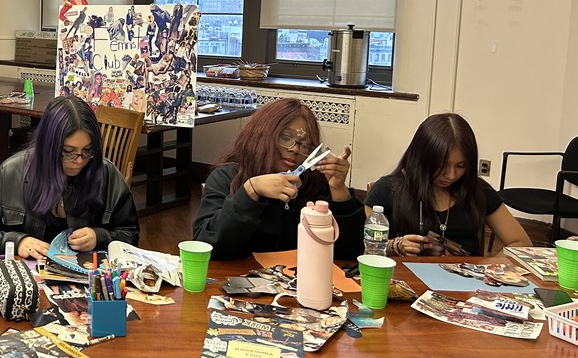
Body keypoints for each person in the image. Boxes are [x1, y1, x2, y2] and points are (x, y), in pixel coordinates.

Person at [192, 98, 364, 260]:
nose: (295, 149)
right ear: (261, 135)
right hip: (238, 276)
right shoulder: (228, 177)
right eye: (285, 138)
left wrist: (338, 189)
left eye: (305, 145)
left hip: (301, 276)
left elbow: (350, 251)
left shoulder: (314, 182)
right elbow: (206, 247)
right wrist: (250, 191)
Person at [0, 95, 139, 260]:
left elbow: (130, 235)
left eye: (87, 150)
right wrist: (18, 242)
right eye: (68, 152)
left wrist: (99, 237)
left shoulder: (107, 174)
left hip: (88, 273)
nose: (79, 161)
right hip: (29, 272)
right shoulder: (11, 173)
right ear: (48, 146)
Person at [364, 113, 531, 256]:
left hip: (467, 282)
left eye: (461, 166)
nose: (451, 175)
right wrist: (394, 246)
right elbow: (364, 249)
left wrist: (489, 272)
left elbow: (520, 243)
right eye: (441, 165)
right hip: (404, 281)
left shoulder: (478, 191)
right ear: (421, 158)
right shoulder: (388, 189)